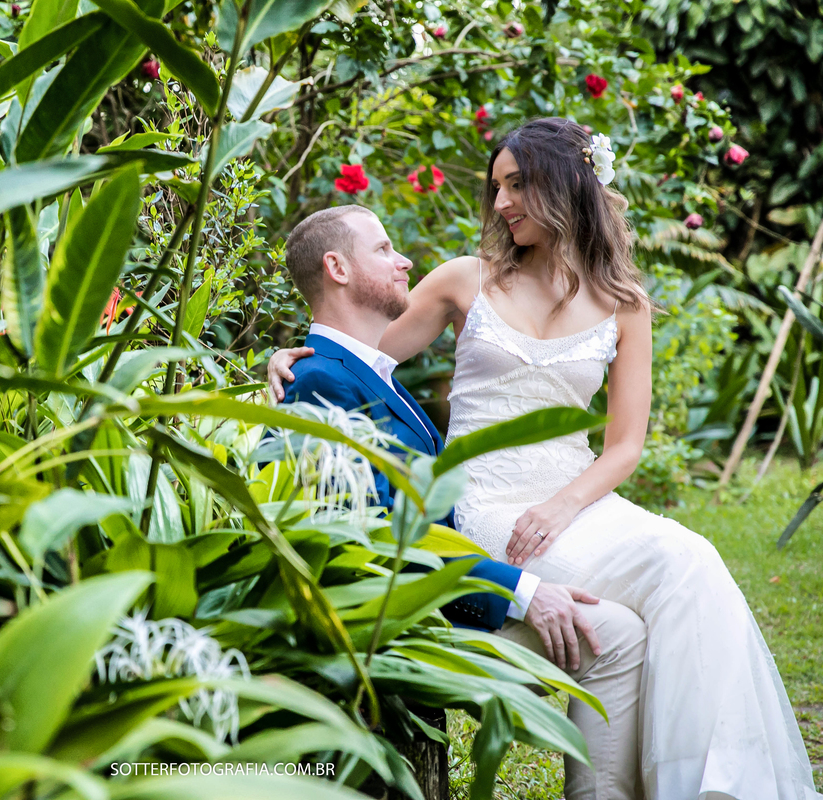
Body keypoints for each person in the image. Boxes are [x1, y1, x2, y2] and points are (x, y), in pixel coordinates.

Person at [268, 118, 820, 800]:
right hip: (482, 504)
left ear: (566, 185)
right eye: (496, 187)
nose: (500, 204)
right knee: (623, 628)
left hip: (575, 499)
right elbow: (363, 355)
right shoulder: (467, 281)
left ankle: (711, 786)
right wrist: (286, 356)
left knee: (693, 564)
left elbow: (625, 445)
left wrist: (562, 506)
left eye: (517, 185)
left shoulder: (626, 305)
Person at [280, 202, 647, 800]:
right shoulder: (323, 380)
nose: (403, 261)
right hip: (408, 628)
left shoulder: (363, 373)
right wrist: (525, 593)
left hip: (445, 594)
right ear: (337, 268)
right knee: (617, 637)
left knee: (620, 627)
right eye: (382, 250)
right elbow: (383, 535)